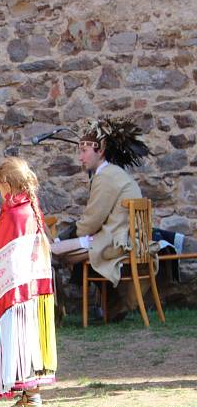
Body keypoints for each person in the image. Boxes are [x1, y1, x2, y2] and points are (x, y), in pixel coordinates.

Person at [0, 157, 56, 407]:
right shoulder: (30, 208)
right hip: (27, 290)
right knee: (26, 341)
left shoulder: (16, 213)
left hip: (16, 291)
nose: (0, 194)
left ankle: (31, 399)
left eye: (0, 188)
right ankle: (29, 398)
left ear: (7, 185)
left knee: (20, 341)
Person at [49, 118, 149, 321]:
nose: (80, 158)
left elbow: (92, 221)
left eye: (84, 151)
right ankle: (111, 304)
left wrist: (65, 238)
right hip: (123, 237)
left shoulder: (106, 176)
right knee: (64, 251)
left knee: (60, 254)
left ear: (100, 151)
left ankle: (109, 304)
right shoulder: (111, 173)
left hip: (119, 241)